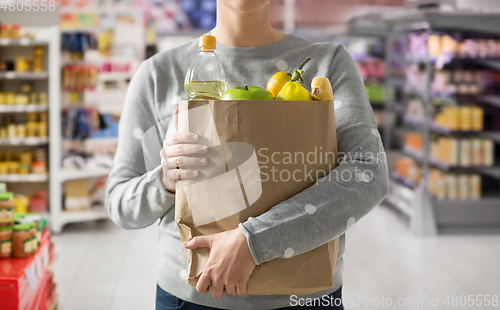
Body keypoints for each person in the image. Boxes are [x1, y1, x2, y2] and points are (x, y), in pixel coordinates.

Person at [105, 0, 389, 309]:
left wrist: (254, 241)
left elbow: (368, 173)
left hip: (305, 297)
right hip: (191, 298)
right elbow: (120, 203)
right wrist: (166, 178)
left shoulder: (327, 64)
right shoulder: (158, 74)